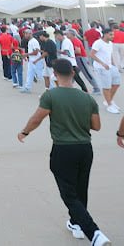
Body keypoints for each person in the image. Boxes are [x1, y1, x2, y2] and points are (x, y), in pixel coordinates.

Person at [17, 59, 111, 245]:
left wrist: (24, 132)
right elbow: (96, 126)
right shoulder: (87, 98)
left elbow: (37, 118)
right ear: (73, 73)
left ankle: (94, 233)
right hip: (85, 148)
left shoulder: (51, 96)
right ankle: (76, 224)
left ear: (54, 75)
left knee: (69, 194)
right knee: (81, 189)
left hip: (63, 149)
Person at [89, 28, 120, 114]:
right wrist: (102, 64)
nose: (112, 36)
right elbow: (92, 54)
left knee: (116, 83)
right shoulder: (98, 43)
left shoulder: (110, 43)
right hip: (101, 67)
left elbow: (110, 54)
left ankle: (108, 101)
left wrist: (113, 64)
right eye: (110, 34)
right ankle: (109, 105)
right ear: (105, 34)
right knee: (106, 87)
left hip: (110, 66)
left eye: (113, 34)